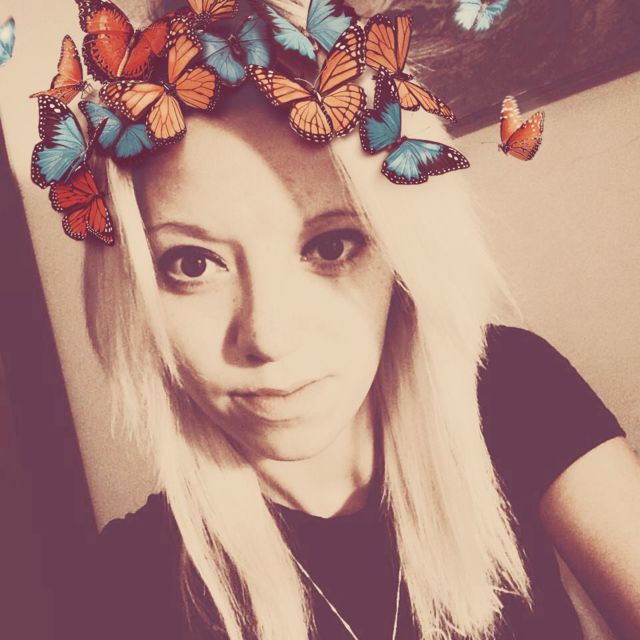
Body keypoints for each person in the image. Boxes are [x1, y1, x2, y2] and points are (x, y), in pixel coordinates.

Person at [52, 4, 640, 640]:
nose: (269, 337)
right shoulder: (124, 586)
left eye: (331, 247)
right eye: (192, 263)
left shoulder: (510, 390)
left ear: (401, 258)